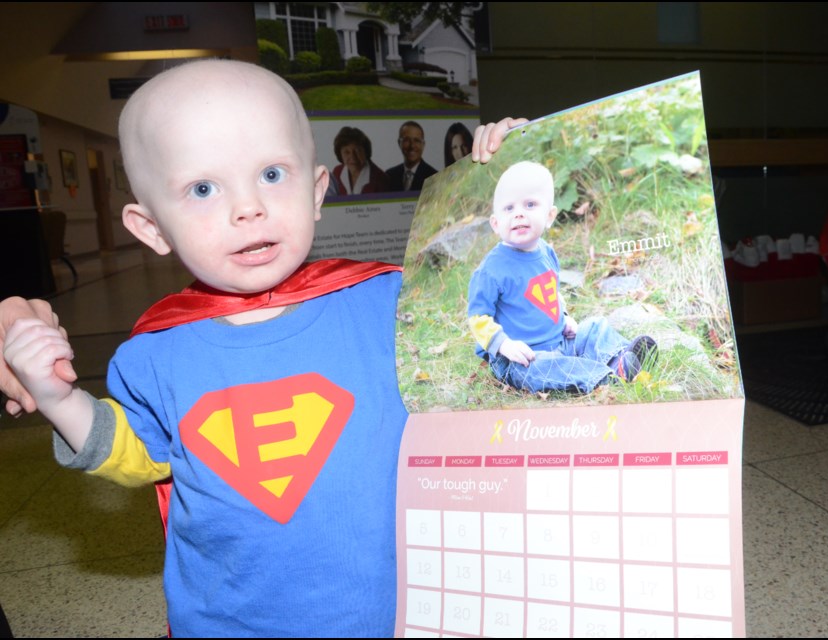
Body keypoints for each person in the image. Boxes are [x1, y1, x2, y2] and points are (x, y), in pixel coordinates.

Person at [0, 58, 522, 637]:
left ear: (317, 190)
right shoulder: (153, 354)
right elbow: (138, 454)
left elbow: (502, 308)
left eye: (272, 175)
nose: (247, 206)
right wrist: (55, 396)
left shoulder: (388, 301)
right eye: (202, 188)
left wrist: (506, 176)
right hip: (231, 621)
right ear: (151, 229)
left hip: (389, 612)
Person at [467, 161, 657, 395]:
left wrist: (564, 317)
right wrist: (504, 344)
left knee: (595, 327)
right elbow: (477, 318)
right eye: (508, 208)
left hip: (559, 340)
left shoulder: (546, 252)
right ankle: (604, 377)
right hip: (522, 357)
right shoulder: (491, 270)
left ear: (549, 216)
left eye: (529, 204)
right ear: (496, 223)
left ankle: (620, 358)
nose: (518, 213)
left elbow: (549, 292)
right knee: (542, 369)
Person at [329, 126, 389, 195]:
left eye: (357, 151)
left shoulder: (380, 178)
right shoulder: (337, 172)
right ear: (340, 154)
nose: (352, 156)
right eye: (347, 152)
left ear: (366, 151)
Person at [385, 120, 437, 191]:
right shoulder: (388, 176)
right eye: (406, 140)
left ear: (423, 145)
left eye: (416, 140)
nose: (412, 146)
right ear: (399, 143)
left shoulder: (435, 178)